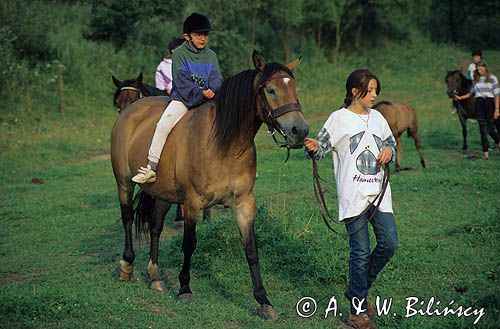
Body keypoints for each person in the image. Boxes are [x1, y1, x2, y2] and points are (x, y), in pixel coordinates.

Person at [305, 69, 398, 329]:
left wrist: (389, 150)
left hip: (379, 193)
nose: (374, 95)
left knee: (390, 243)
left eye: (376, 90)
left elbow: (390, 142)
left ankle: (357, 289)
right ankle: (357, 312)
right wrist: (314, 148)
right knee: (360, 252)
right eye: (370, 90)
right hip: (353, 195)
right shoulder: (338, 119)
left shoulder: (378, 117)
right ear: (355, 92)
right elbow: (321, 147)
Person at [132, 12, 223, 183]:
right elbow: (181, 81)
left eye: (206, 34)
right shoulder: (180, 53)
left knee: (230, 120)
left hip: (209, 98)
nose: (203, 38)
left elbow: (216, 78)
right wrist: (200, 93)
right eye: (198, 35)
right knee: (163, 124)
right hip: (184, 98)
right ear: (187, 36)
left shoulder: (211, 55)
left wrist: (213, 89)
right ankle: (151, 168)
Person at [455, 60, 500, 159]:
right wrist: (460, 98)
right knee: (482, 130)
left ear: (485, 68)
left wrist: (497, 109)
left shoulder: (493, 79)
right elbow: (471, 93)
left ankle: (498, 140)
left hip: (489, 103)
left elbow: (497, 94)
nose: (479, 71)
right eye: (478, 69)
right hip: (479, 103)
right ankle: (485, 154)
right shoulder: (477, 79)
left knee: (491, 129)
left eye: (481, 69)